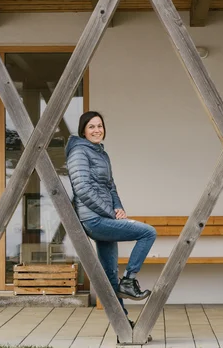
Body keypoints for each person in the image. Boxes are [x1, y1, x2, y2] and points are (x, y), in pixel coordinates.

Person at [66, 111, 157, 316]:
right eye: (91, 127)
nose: (97, 130)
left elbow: (110, 186)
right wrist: (110, 213)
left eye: (100, 126)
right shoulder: (79, 152)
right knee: (148, 232)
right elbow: (83, 189)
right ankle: (129, 280)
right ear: (83, 131)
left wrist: (118, 208)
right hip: (94, 219)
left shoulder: (100, 153)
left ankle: (123, 326)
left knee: (109, 275)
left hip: (104, 217)